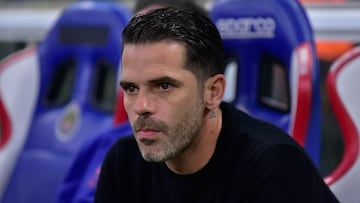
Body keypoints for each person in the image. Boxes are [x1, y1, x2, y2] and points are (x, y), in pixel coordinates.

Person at [95, 7, 339, 203]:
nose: (142, 106)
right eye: (131, 88)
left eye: (164, 86)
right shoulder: (123, 163)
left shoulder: (274, 165)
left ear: (213, 92)